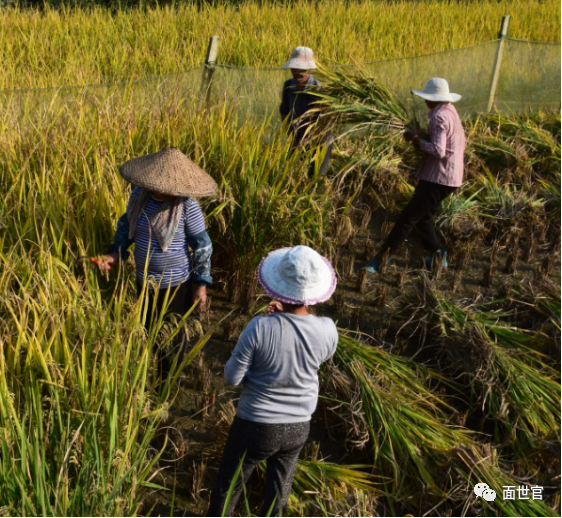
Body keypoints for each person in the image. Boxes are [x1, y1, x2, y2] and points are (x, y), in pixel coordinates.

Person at [207, 246, 338, 517]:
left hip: (256, 425)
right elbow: (312, 355)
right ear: (313, 295)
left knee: (229, 487)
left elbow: (231, 378)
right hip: (299, 426)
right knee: (279, 494)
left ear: (279, 286)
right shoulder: (327, 329)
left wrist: (272, 325)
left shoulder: (259, 327)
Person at [98, 147, 217, 339]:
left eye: (172, 187)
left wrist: (201, 284)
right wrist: (116, 253)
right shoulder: (139, 197)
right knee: (148, 335)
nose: (167, 191)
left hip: (176, 286)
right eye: (163, 187)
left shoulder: (187, 206)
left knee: (172, 340)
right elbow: (126, 226)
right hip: (144, 283)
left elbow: (202, 247)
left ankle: (170, 369)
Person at [365, 78, 466, 273]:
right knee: (423, 217)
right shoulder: (450, 111)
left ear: (432, 98)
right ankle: (439, 256)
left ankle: (380, 260)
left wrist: (414, 138)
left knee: (408, 219)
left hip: (438, 177)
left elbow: (438, 151)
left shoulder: (439, 117)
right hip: (451, 178)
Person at [280, 47, 332, 175]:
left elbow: (324, 122)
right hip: (298, 136)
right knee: (290, 172)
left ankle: (318, 192)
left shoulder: (318, 90)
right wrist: (292, 138)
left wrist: (309, 141)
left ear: (309, 69)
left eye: (302, 69)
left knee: (315, 175)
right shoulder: (288, 86)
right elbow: (284, 113)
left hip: (320, 138)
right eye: (295, 69)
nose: (299, 73)